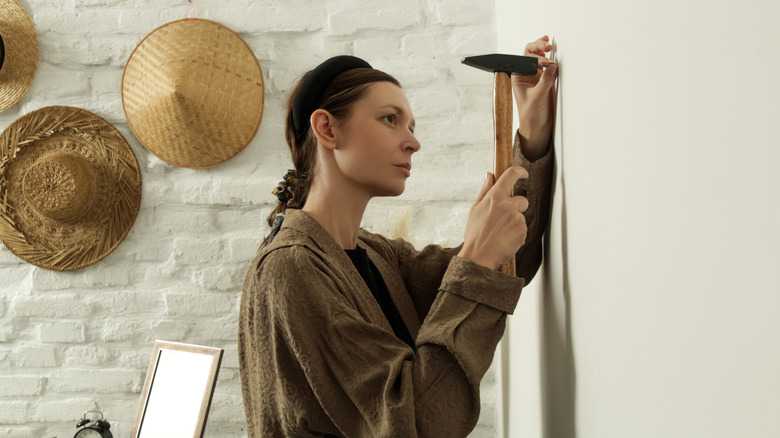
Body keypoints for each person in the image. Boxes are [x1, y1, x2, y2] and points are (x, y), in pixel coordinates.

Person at [239, 36, 557, 437]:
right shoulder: (291, 268)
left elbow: (508, 263)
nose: (413, 141)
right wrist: (476, 259)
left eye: (410, 125)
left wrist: (532, 132)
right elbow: (417, 422)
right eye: (390, 119)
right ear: (327, 129)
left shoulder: (375, 256)